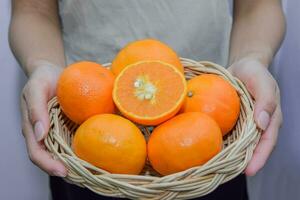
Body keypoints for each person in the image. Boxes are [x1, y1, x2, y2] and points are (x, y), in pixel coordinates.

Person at [9, 0, 285, 199]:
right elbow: (32, 9)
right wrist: (42, 64)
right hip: (88, 150)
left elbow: (258, 6)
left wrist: (251, 59)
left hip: (213, 147)